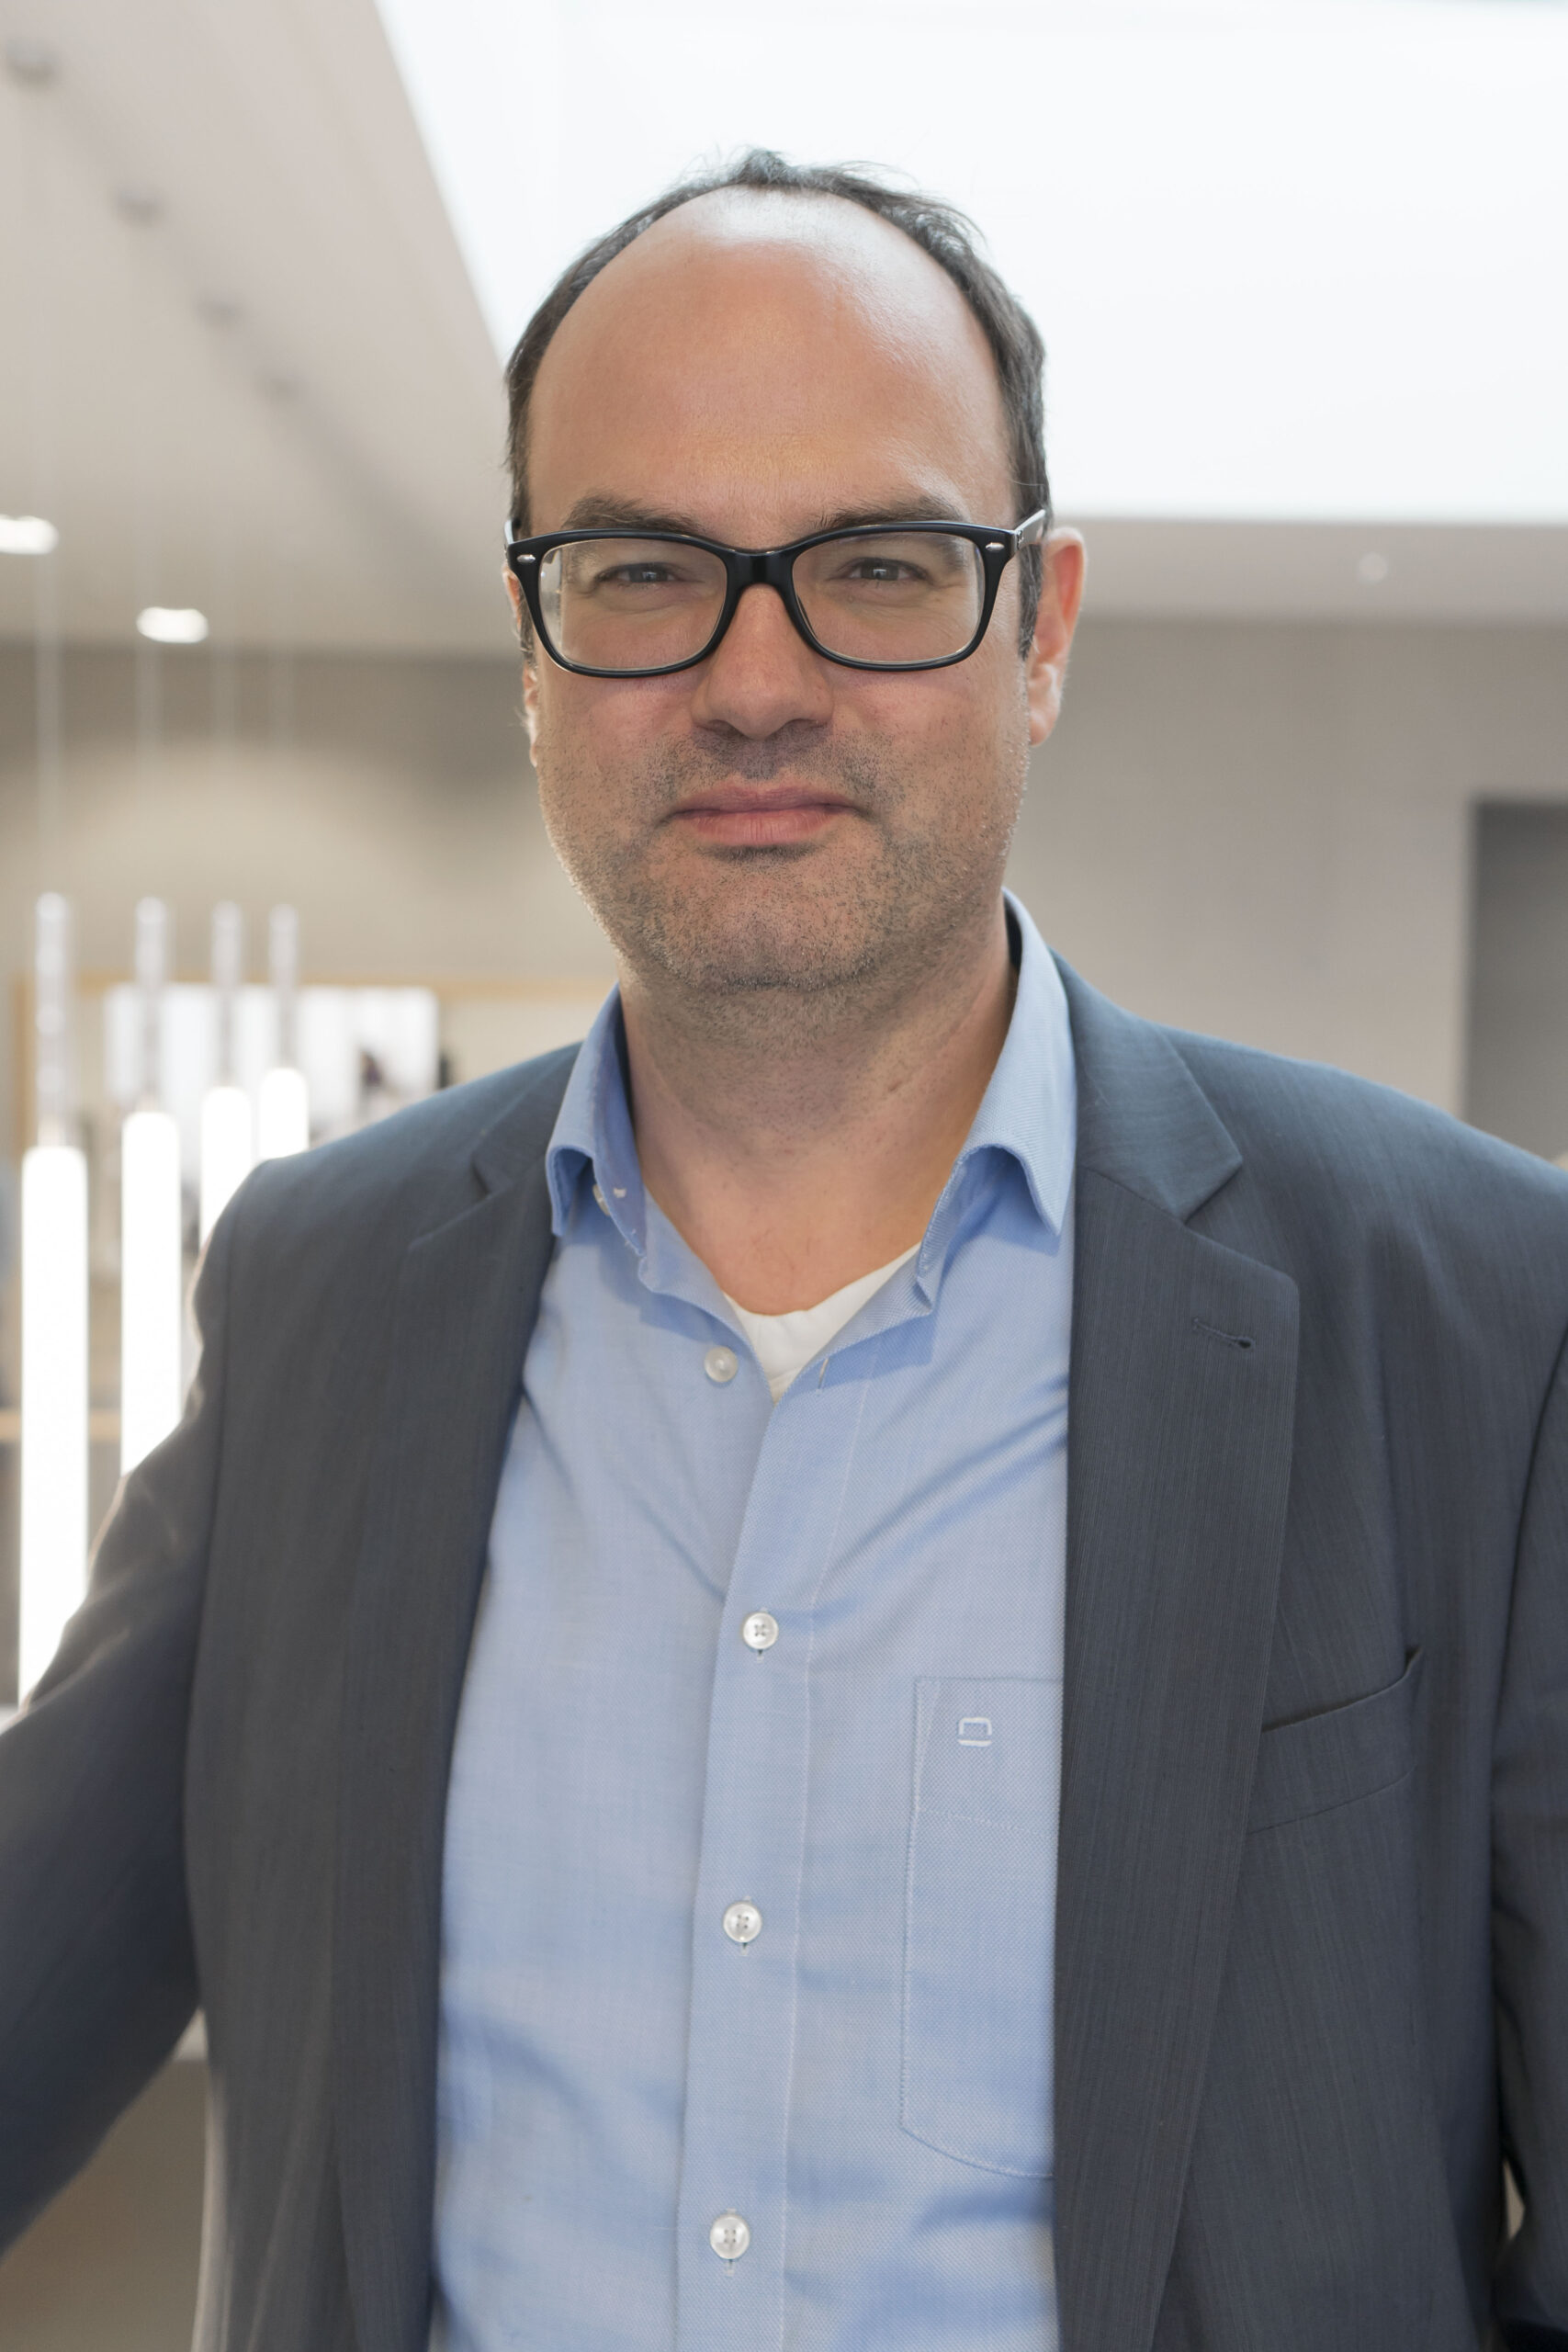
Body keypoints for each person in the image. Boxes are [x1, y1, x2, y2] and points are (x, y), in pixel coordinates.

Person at [2, 150, 1565, 2352]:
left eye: (877, 562)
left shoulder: (1475, 1313)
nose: (753, 679)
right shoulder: (320, 1289)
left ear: (1039, 627)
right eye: (641, 569)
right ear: (534, 647)